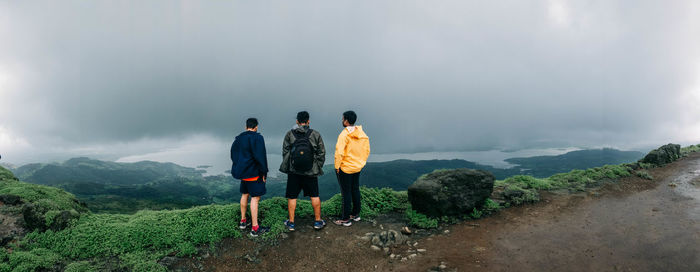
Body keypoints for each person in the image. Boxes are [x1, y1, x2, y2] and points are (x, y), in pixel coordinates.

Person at [280, 111, 327, 231]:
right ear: (308, 121)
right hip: (311, 172)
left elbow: (285, 152)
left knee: (292, 197)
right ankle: (317, 221)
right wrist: (316, 166)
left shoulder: (290, 134)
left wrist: (291, 166)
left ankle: (291, 223)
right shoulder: (315, 134)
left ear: (297, 121)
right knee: (314, 195)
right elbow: (321, 153)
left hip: (294, 172)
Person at [231, 117, 270, 237]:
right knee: (255, 199)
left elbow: (233, 154)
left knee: (244, 195)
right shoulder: (258, 138)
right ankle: (255, 228)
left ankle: (243, 222)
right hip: (254, 174)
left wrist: (239, 167)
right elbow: (261, 157)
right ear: (256, 126)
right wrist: (264, 173)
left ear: (246, 126)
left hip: (243, 174)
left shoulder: (238, 139)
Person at [333, 111, 370, 226]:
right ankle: (355, 214)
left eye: (343, 118)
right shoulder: (362, 134)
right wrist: (361, 163)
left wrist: (337, 166)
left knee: (346, 193)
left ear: (347, 121)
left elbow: (339, 152)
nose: (342, 120)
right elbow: (367, 150)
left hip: (345, 168)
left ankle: (345, 219)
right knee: (355, 190)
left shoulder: (344, 135)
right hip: (357, 167)